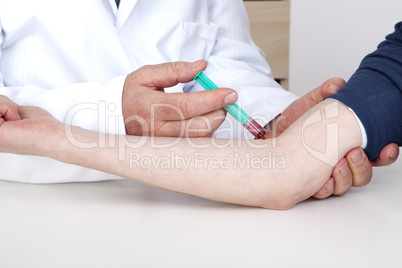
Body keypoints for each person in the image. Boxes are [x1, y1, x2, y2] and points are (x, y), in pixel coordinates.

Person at [0, 0, 397, 198]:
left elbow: (224, 61)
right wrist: (110, 113)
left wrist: (272, 123)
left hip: (192, 197)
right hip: (38, 200)